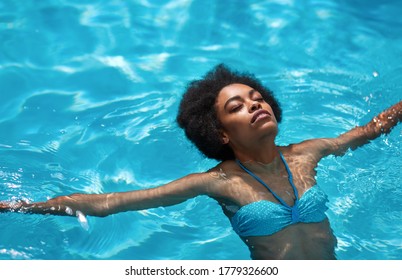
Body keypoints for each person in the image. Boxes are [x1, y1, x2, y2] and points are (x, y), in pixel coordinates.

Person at [1, 64, 401, 260]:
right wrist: (21, 206)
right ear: (221, 134)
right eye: (237, 106)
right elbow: (111, 203)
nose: (254, 104)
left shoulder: (307, 153)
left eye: (256, 97)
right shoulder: (217, 182)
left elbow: (368, 131)